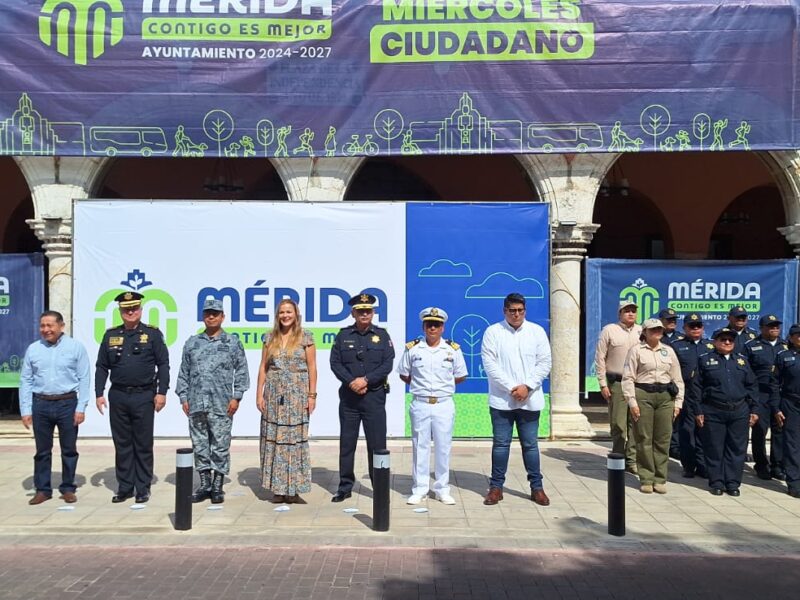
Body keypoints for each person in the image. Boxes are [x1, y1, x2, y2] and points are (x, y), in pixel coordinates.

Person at [95, 291, 169, 504]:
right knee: (122, 443)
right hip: (118, 395)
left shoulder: (152, 334)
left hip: (144, 395)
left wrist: (161, 392)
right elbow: (102, 366)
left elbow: (163, 364)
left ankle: (143, 487)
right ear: (120, 311)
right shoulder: (110, 335)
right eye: (126, 309)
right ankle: (125, 486)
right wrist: (99, 393)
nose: (130, 312)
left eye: (134, 308)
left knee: (143, 443)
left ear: (141, 310)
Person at [481, 293, 552, 507]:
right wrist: (513, 388)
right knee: (501, 445)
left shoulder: (536, 332)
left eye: (520, 310)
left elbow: (545, 362)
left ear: (525, 310)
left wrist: (527, 386)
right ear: (505, 311)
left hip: (530, 399)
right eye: (512, 310)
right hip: (503, 399)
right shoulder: (493, 332)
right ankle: (496, 488)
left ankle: (536, 488)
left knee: (530, 445)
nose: (516, 314)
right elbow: (490, 365)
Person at [176, 298, 249, 505]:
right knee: (200, 445)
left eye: (215, 313)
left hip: (221, 404)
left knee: (220, 445)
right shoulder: (192, 343)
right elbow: (184, 373)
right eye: (208, 313)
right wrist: (183, 397)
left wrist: (237, 397)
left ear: (222, 317)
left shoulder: (232, 342)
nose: (211, 316)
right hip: (196, 403)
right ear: (203, 316)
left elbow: (242, 371)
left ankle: (217, 486)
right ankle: (205, 483)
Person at [19, 311, 91, 505]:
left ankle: (68, 487)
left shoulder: (76, 348)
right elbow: (25, 380)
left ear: (61, 326)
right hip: (40, 404)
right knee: (42, 450)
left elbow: (84, 378)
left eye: (50, 325)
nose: (46, 330)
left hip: (67, 404)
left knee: (69, 449)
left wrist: (81, 407)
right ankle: (43, 489)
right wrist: (25, 409)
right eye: (42, 326)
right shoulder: (33, 349)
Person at [397, 307, 467, 505]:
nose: (432, 328)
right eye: (429, 324)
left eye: (436, 325)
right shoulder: (413, 348)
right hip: (420, 403)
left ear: (443, 327)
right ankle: (419, 488)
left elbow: (460, 375)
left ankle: (442, 488)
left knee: (443, 447)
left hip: (444, 403)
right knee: (420, 446)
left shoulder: (452, 349)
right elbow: (404, 373)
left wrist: (443, 388)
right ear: (423, 326)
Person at [329, 293, 394, 502]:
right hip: (349, 398)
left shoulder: (382, 335)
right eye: (360, 311)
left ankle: (379, 487)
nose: (364, 314)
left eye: (368, 310)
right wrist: (352, 382)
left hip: (374, 397)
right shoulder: (343, 335)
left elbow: (387, 363)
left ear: (373, 312)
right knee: (347, 444)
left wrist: (365, 380)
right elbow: (335, 363)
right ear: (353, 313)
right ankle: (345, 486)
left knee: (377, 445)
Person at [256, 299, 317, 504]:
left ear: (296, 314)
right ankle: (277, 489)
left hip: (297, 397)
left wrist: (312, 396)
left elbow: (312, 368)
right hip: (273, 397)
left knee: (293, 442)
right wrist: (259, 394)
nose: (285, 315)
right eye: (281, 312)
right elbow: (263, 368)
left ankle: (293, 489)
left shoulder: (306, 337)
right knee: (273, 441)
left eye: (288, 311)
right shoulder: (269, 338)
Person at [692, 327, 759, 496]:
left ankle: (732, 483)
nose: (727, 342)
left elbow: (752, 386)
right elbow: (696, 387)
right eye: (723, 339)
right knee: (715, 448)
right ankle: (717, 482)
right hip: (713, 409)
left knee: (736, 448)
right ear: (715, 342)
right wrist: (698, 410)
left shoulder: (742, 361)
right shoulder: (705, 360)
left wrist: (755, 409)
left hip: (739, 410)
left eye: (730, 340)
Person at [621, 319, 684, 494]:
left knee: (663, 438)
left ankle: (660, 477)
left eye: (659, 329)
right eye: (653, 329)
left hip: (665, 396)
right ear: (645, 332)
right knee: (644, 437)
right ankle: (647, 477)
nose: (657, 332)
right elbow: (628, 378)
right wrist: (632, 402)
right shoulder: (636, 351)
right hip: (643, 394)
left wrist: (678, 403)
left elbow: (677, 379)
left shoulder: (668, 351)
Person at [595, 300, 642, 473]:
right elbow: (600, 357)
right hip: (617, 383)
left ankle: (632, 460)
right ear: (619, 313)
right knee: (619, 424)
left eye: (633, 311)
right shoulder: (609, 330)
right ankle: (618, 458)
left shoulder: (642, 331)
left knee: (635, 423)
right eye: (626, 311)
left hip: (637, 384)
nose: (630, 314)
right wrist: (602, 384)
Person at [744, 314, 786, 480]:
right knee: (760, 431)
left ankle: (777, 465)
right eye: (770, 326)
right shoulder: (751, 345)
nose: (774, 328)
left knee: (780, 429)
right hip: (760, 394)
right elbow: (745, 371)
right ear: (762, 328)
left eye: (776, 326)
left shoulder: (785, 345)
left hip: (780, 394)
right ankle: (761, 465)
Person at [671, 314, 712, 478]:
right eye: (692, 326)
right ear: (685, 328)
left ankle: (703, 465)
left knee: (705, 431)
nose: (695, 329)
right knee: (687, 431)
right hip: (686, 393)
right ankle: (688, 465)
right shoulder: (677, 346)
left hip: (706, 394)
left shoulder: (710, 345)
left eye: (698, 326)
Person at [774, 324, 800, 498]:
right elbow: (774, 384)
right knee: (792, 445)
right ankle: (794, 482)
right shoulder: (784, 356)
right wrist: (776, 407)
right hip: (791, 403)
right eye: (797, 335)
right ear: (791, 338)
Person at [658, 308, 681, 458]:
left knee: (678, 417)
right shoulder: (657, 338)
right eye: (669, 319)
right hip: (661, 384)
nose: (672, 322)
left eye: (674, 319)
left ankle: (676, 447)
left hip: (677, 382)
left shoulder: (682, 338)